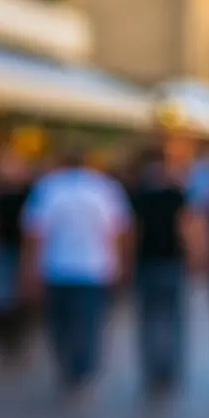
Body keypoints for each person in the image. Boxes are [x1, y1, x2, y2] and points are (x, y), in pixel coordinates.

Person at [21, 146, 131, 401]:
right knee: (89, 324)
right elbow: (120, 229)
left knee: (60, 324)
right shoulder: (104, 188)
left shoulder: (49, 187)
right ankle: (83, 372)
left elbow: (34, 232)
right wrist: (121, 263)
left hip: (56, 268)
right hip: (94, 269)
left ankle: (69, 369)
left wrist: (29, 268)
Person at [131, 143, 202, 393]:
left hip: (146, 263)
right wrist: (194, 257)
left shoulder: (138, 195)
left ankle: (153, 369)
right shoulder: (176, 194)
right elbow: (188, 228)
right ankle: (169, 369)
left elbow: (132, 233)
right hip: (172, 262)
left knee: (149, 319)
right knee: (173, 318)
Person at [0, 150, 33, 366]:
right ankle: (0, 342)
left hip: (19, 249)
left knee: (15, 296)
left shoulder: (29, 193)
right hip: (1, 248)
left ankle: (14, 344)